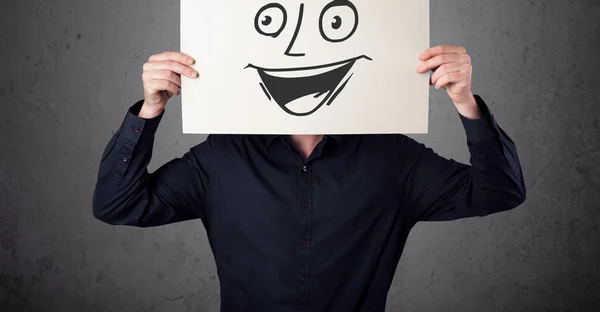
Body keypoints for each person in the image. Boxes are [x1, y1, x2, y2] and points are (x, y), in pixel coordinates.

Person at [92, 45, 526, 312]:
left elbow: (499, 191)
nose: (302, 52)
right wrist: (150, 110)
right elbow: (119, 204)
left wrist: (466, 102)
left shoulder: (390, 156)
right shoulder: (223, 155)